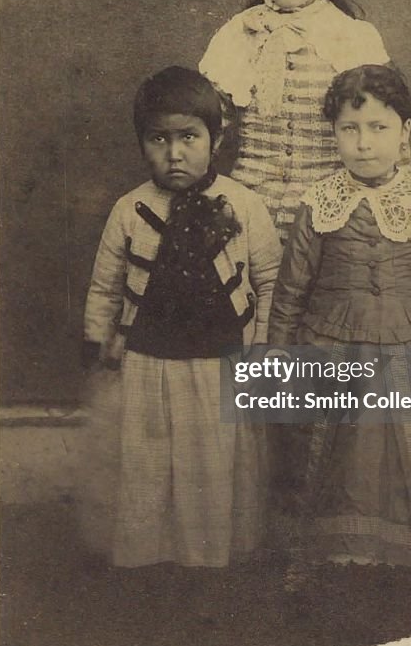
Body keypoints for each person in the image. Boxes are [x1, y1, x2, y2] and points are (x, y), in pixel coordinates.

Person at [268, 64, 411, 567]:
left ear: (405, 131)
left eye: (378, 128)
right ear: (334, 134)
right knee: (333, 446)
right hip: (331, 343)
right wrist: (276, 348)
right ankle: (337, 554)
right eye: (349, 129)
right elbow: (292, 286)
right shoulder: (318, 204)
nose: (363, 143)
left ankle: (406, 556)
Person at [80, 66, 282, 568]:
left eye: (189, 137)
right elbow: (105, 285)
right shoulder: (130, 209)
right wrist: (96, 341)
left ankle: (207, 558)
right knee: (148, 458)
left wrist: (262, 347)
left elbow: (271, 280)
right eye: (158, 139)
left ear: (215, 140)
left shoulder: (244, 205)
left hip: (218, 358)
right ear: (142, 144)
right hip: (149, 355)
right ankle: (147, 554)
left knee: (209, 459)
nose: (174, 153)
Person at [199, 0, 390, 242]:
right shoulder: (237, 36)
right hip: (246, 224)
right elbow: (204, 136)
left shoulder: (353, 40)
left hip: (332, 227)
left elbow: (387, 145)